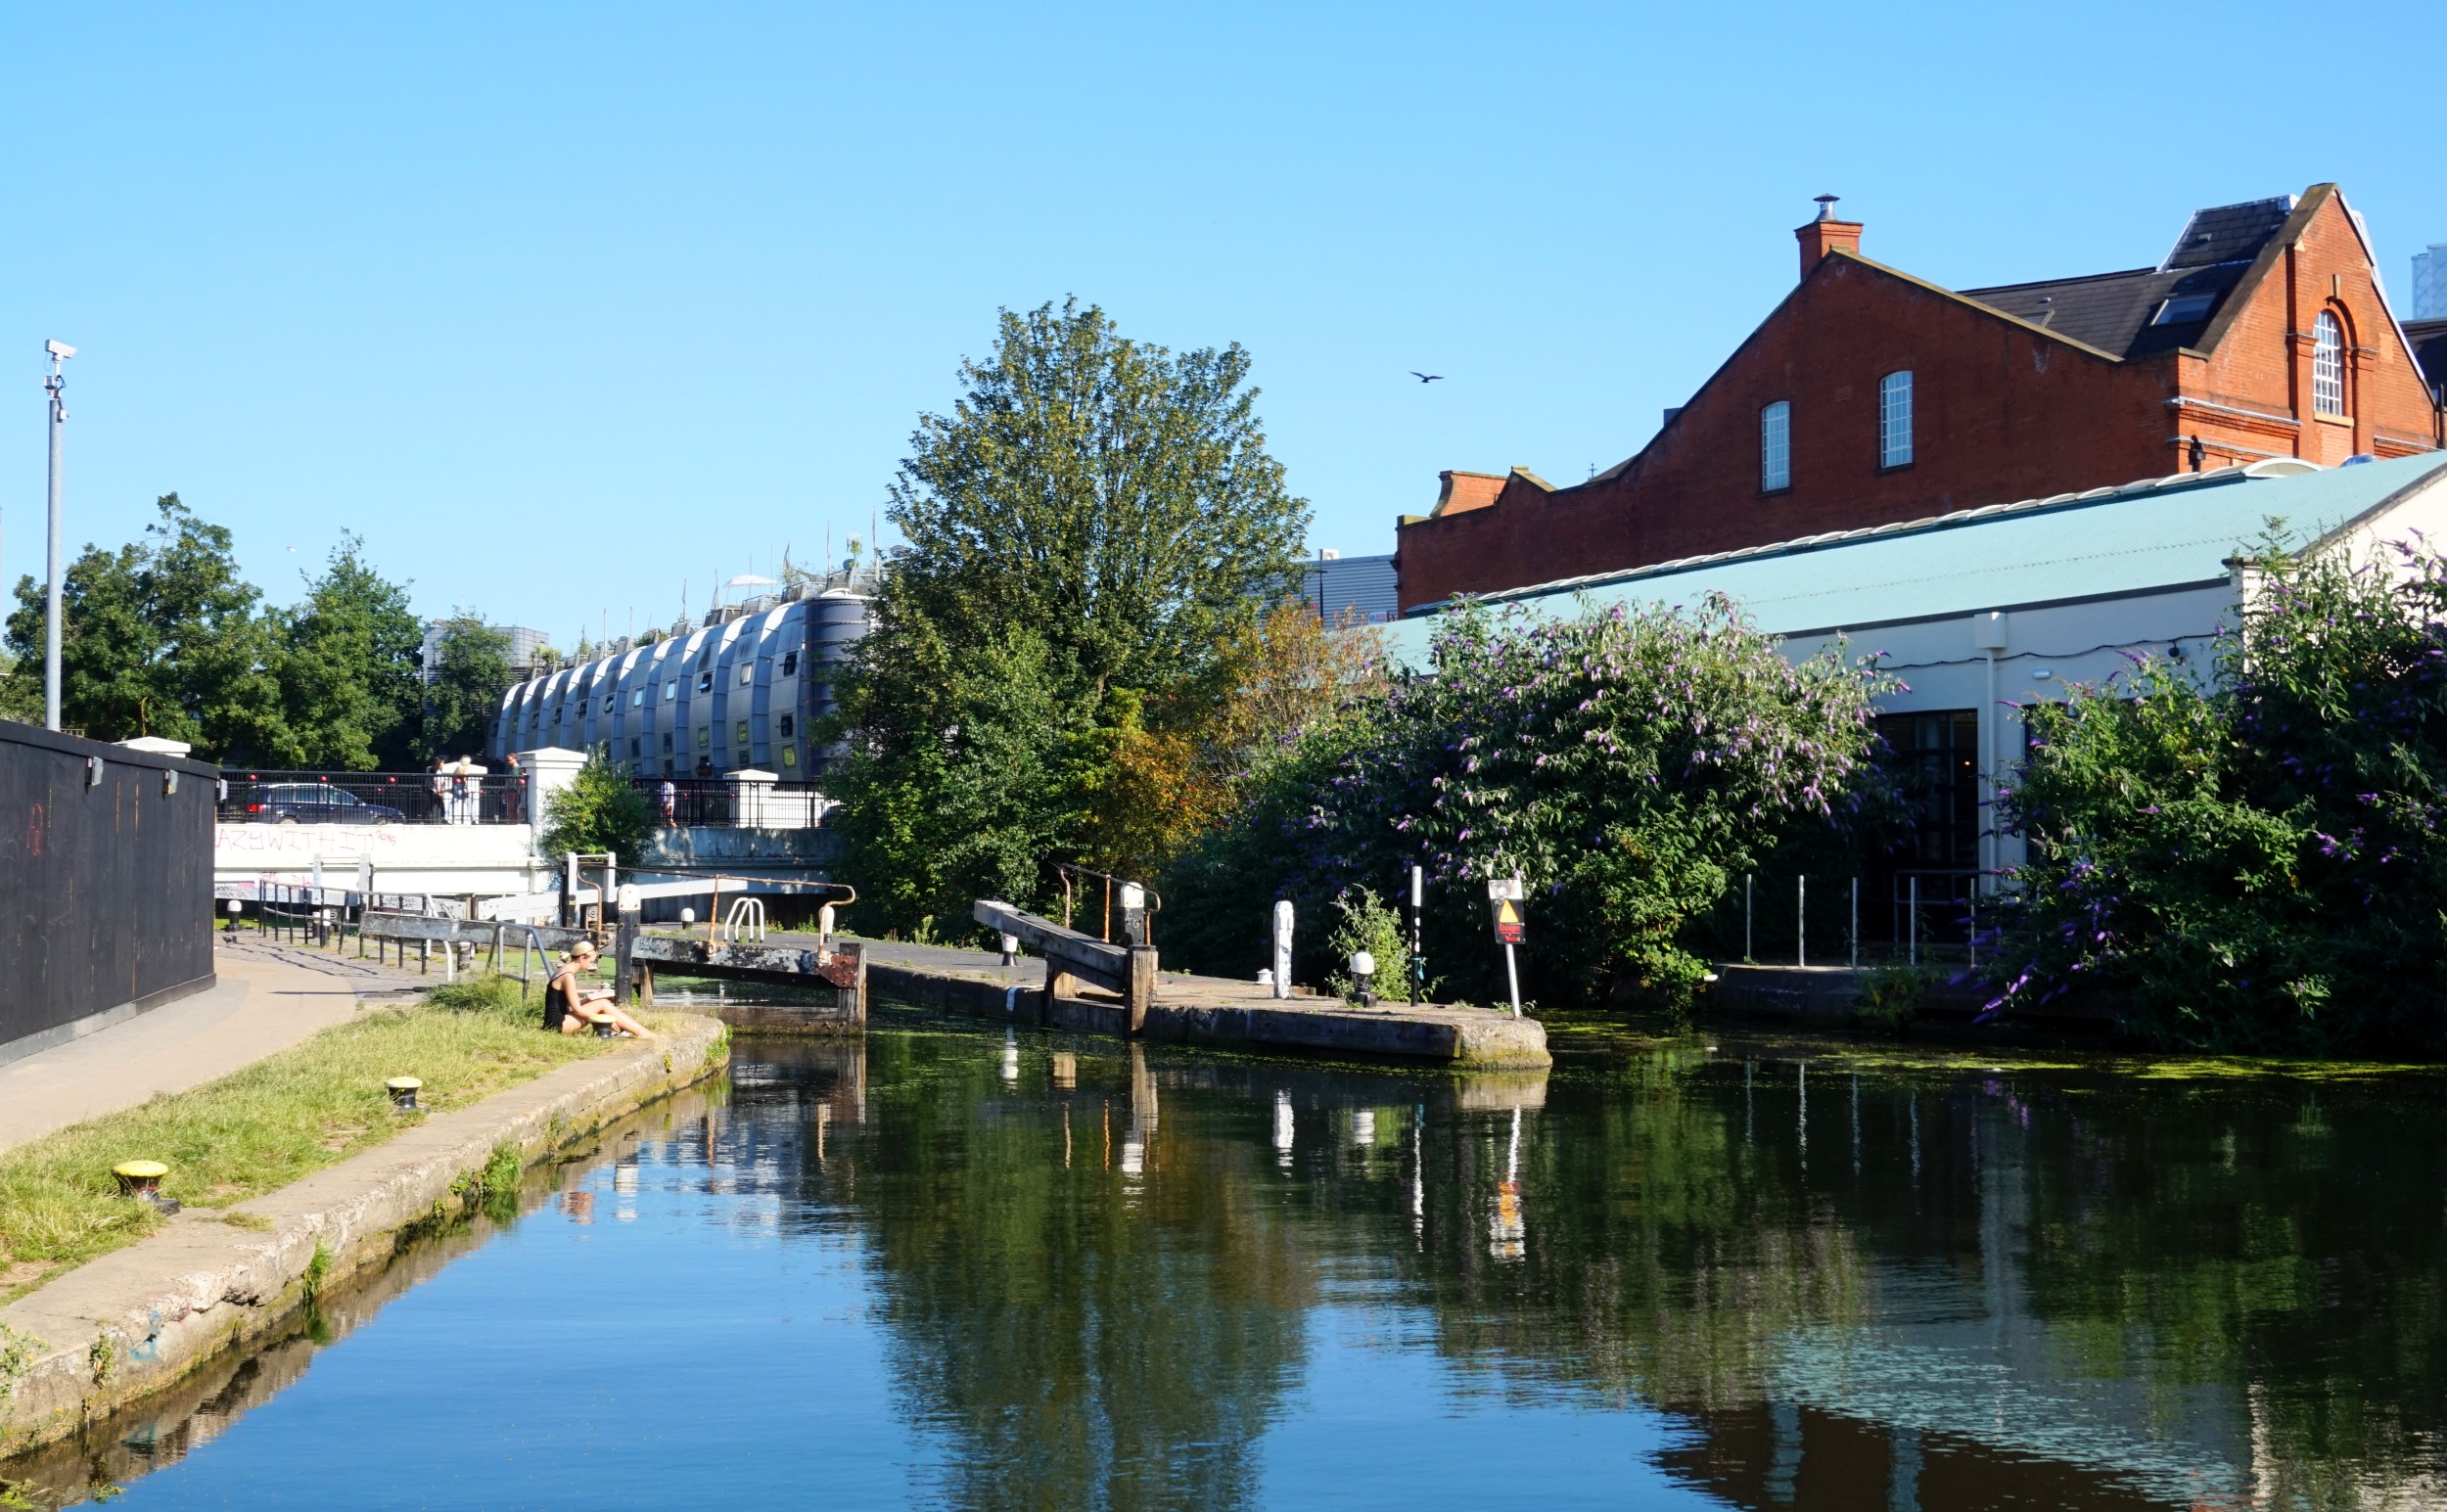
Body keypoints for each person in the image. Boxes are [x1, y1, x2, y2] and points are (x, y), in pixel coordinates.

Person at [543, 942, 657, 1038]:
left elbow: (571, 1005)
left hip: (558, 1021)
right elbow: (576, 1010)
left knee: (601, 1002)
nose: (590, 965)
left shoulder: (564, 971)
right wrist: (604, 1020)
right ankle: (642, 1033)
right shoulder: (568, 976)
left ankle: (633, 1031)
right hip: (558, 1025)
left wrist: (590, 999)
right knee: (602, 1004)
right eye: (591, 961)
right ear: (582, 958)